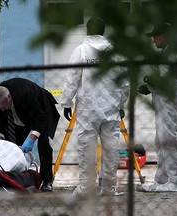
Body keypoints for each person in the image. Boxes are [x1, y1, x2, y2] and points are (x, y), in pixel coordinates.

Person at [60, 17, 129, 197]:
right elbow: (125, 82)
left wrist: (67, 102)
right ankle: (109, 188)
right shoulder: (116, 53)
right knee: (111, 149)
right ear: (104, 32)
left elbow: (72, 79)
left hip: (87, 110)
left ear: (87, 31)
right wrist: (121, 103)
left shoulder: (81, 51)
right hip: (111, 109)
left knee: (86, 149)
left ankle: (86, 188)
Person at [139, 23, 177, 192]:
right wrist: (149, 88)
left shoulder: (173, 54)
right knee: (161, 140)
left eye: (156, 36)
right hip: (166, 102)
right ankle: (162, 180)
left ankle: (176, 181)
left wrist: (147, 80)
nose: (154, 40)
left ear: (164, 36)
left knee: (168, 140)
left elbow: (165, 80)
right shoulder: (169, 52)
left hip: (170, 103)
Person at [0, 78, 60, 192]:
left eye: (3, 106)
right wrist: (0, 139)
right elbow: (0, 119)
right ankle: (17, 179)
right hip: (18, 115)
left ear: (9, 98)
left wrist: (32, 138)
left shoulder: (25, 94)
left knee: (43, 143)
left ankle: (47, 181)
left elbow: (41, 119)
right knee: (14, 147)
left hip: (41, 112)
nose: (2, 110)